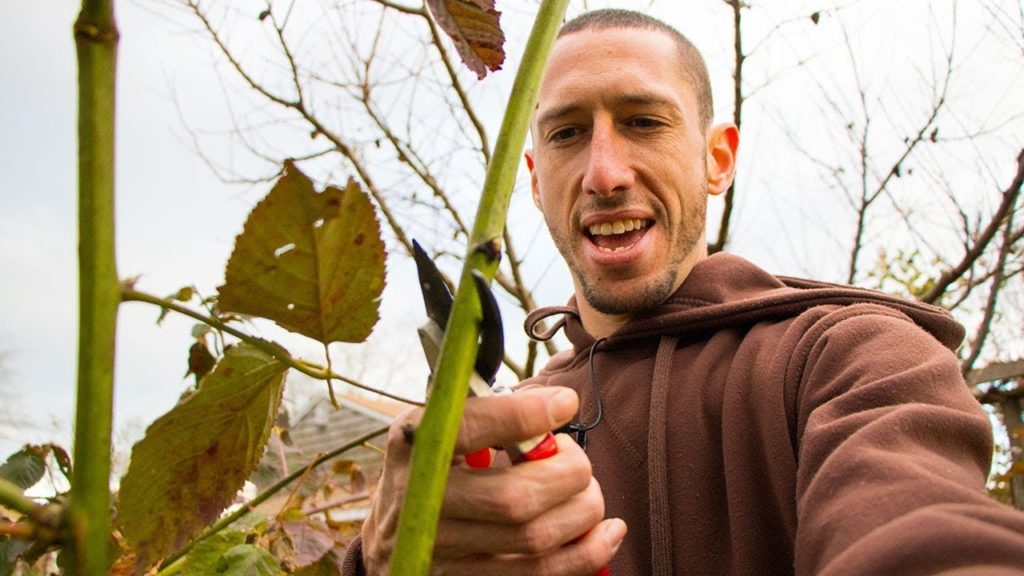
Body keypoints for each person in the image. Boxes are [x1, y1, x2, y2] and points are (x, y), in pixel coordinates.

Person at [345, 9, 1024, 575]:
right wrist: (381, 560)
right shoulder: (508, 433)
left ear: (717, 159)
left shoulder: (851, 356)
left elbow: (923, 531)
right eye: (567, 133)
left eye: (643, 121)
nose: (604, 173)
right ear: (533, 177)